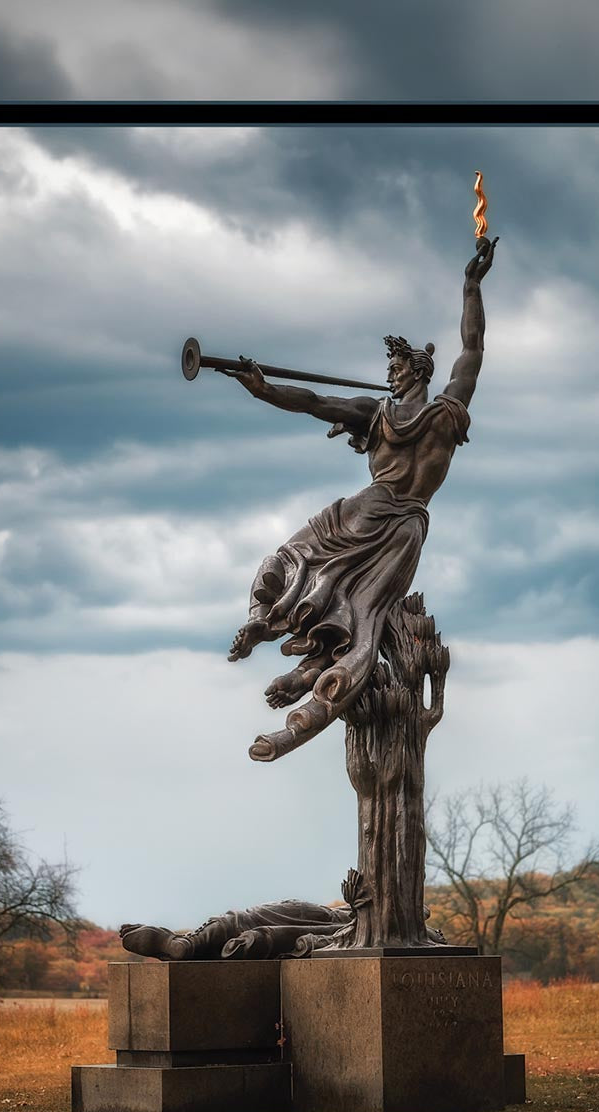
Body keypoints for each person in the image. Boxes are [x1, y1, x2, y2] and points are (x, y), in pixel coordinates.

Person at [223, 236, 497, 762]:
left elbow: (313, 403)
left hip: (367, 509)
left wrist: (262, 390)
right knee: (364, 623)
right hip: (409, 527)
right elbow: (473, 350)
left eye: (396, 370)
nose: (390, 376)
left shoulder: (380, 415)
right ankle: (303, 700)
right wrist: (471, 288)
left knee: (291, 561)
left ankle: (268, 616)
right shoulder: (448, 413)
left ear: (416, 371)